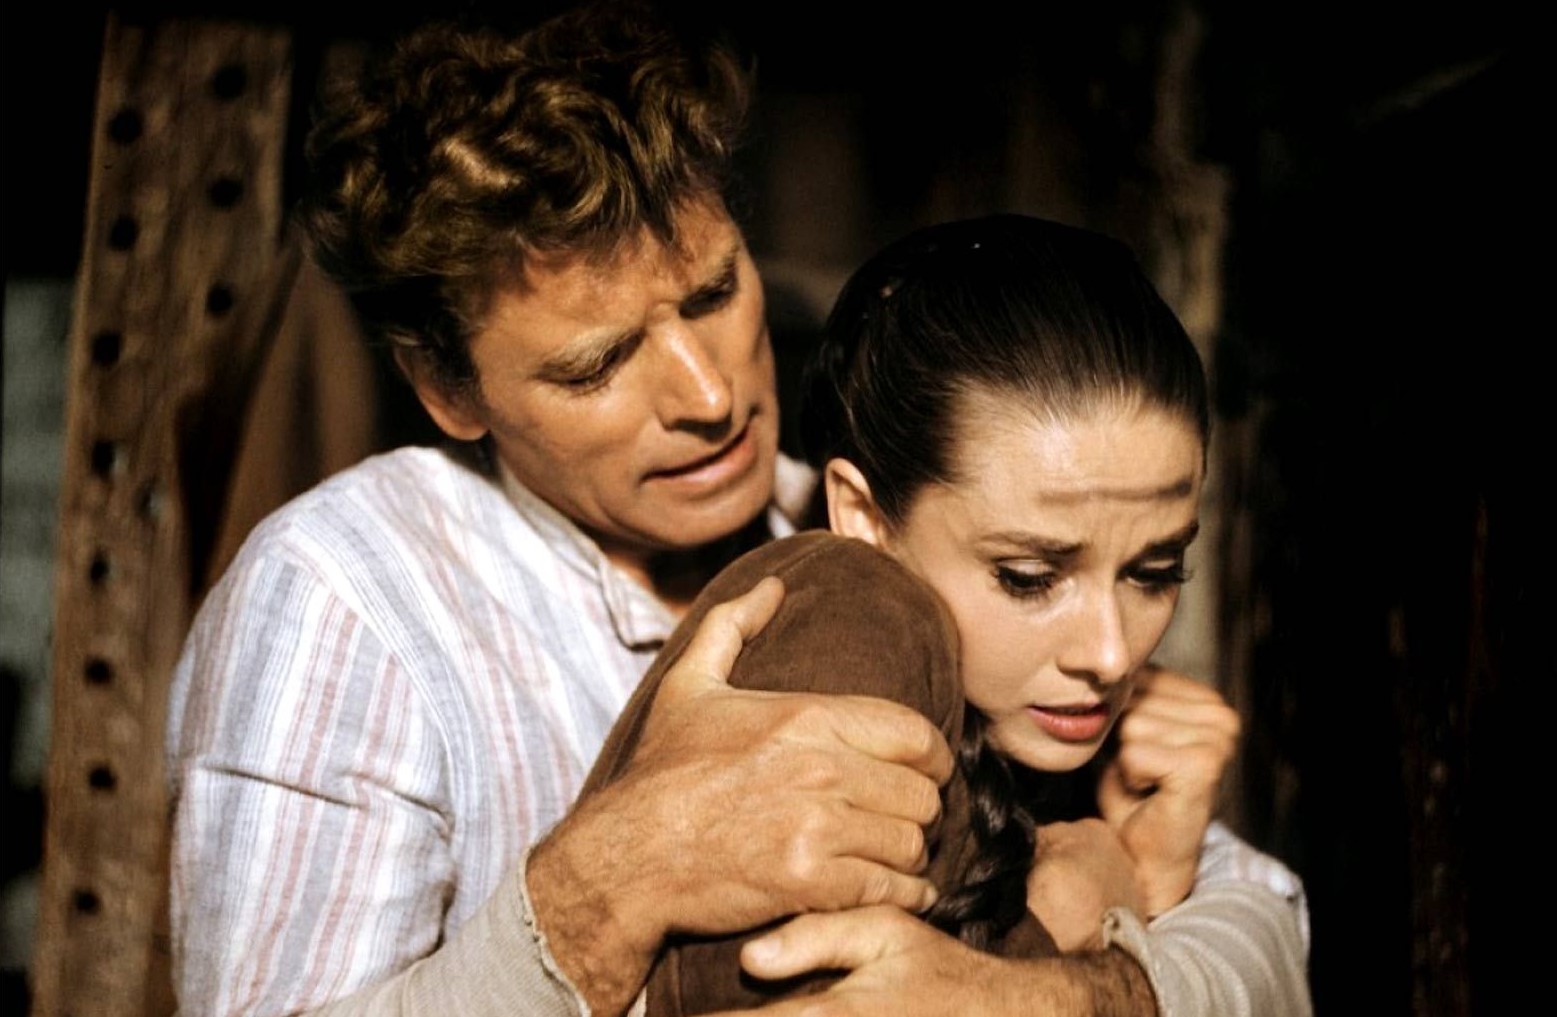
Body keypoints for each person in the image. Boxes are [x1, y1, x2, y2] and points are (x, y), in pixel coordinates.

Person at [163, 3, 1309, 1015]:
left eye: (714, 293)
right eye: (598, 364)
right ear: (448, 390)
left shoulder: (875, 532)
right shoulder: (347, 605)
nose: (709, 398)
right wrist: (606, 886)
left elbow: (1269, 934)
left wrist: (1068, 989)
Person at [581, 213, 1310, 1015]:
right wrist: (1071, 920)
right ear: (864, 518)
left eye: (1154, 570)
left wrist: (1154, 879)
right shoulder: (840, 620)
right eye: (1029, 577)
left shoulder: (1039, 724)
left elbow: (1272, 937)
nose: (1110, 654)